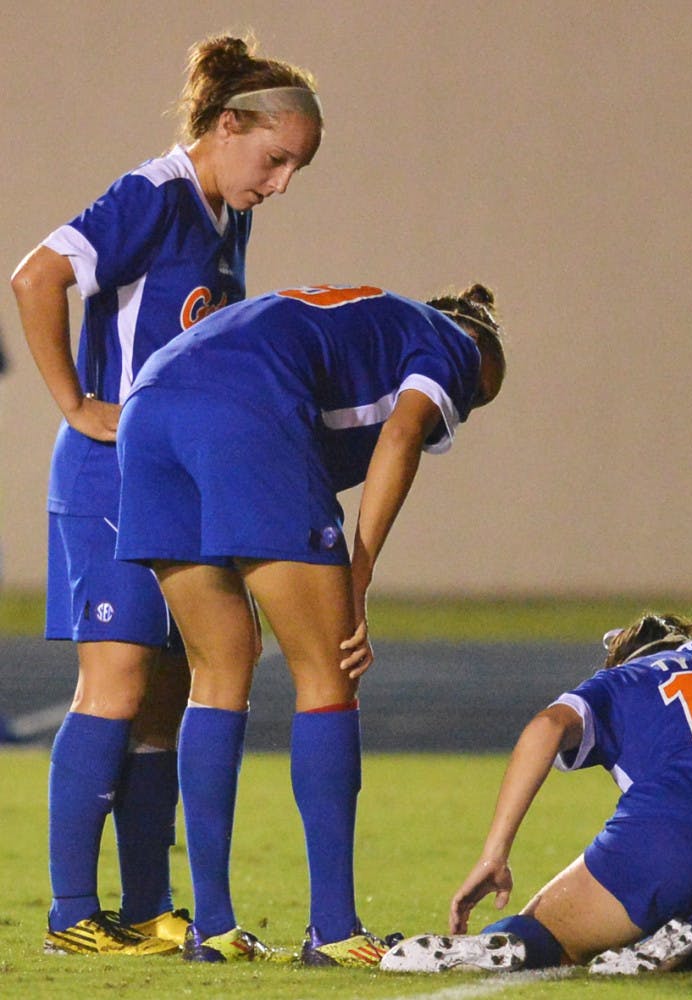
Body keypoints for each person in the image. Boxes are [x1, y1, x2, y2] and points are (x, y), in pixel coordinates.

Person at [10, 34, 323, 957]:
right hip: (113, 477)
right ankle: (72, 915)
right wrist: (76, 403)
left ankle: (147, 910)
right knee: (113, 682)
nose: (280, 184)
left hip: (178, 483)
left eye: (296, 168)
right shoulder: (153, 194)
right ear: (228, 126)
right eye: (274, 159)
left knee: (169, 688)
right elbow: (36, 275)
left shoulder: (228, 214)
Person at [113, 281, 507, 964]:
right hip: (244, 406)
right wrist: (360, 570)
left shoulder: (364, 323)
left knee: (217, 669)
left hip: (149, 407)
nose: (464, 410)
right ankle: (334, 929)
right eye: (474, 398)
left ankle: (213, 929)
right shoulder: (448, 344)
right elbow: (404, 431)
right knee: (329, 669)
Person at [381, 612, 692, 975]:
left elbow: (548, 726)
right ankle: (687, 953)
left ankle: (507, 944)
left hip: (662, 844)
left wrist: (494, 854)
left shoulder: (625, 680)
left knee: (546, 937)